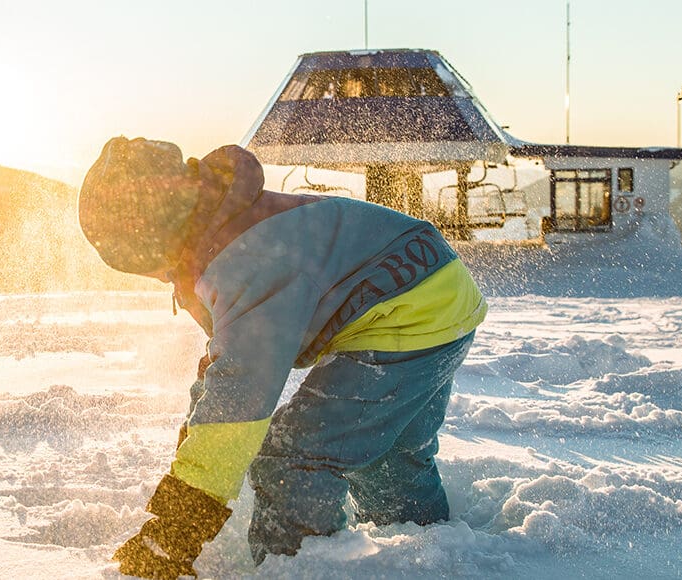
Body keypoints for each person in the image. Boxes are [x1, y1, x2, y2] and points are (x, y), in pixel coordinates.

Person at [78, 137, 486, 578]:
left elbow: (239, 395)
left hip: (402, 315)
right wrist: (195, 445)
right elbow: (224, 373)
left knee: (291, 459)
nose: (158, 277)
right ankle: (438, 556)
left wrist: (179, 526)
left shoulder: (241, 260)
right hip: (435, 288)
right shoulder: (229, 225)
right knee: (388, 461)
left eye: (146, 264)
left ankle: (302, 569)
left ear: (152, 235)